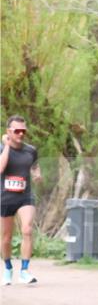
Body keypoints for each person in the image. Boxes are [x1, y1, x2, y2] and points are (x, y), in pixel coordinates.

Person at [1, 115, 42, 285]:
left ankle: (24, 271)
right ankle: (8, 268)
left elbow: (35, 165)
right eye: (17, 131)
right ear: (8, 131)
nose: (21, 134)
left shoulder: (31, 150)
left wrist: (37, 174)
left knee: (27, 229)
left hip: (25, 196)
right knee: (6, 238)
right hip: (5, 197)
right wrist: (7, 146)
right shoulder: (1, 148)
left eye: (23, 131)